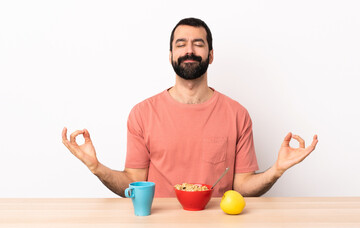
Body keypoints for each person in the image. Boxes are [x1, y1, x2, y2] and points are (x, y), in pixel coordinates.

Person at [62, 18, 318, 198]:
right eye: (181, 44)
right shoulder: (142, 114)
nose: (189, 50)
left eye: (198, 43)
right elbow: (133, 183)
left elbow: (242, 186)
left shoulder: (237, 114)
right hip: (158, 226)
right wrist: (97, 168)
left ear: (211, 54)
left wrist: (276, 170)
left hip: (219, 227)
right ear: (171, 54)